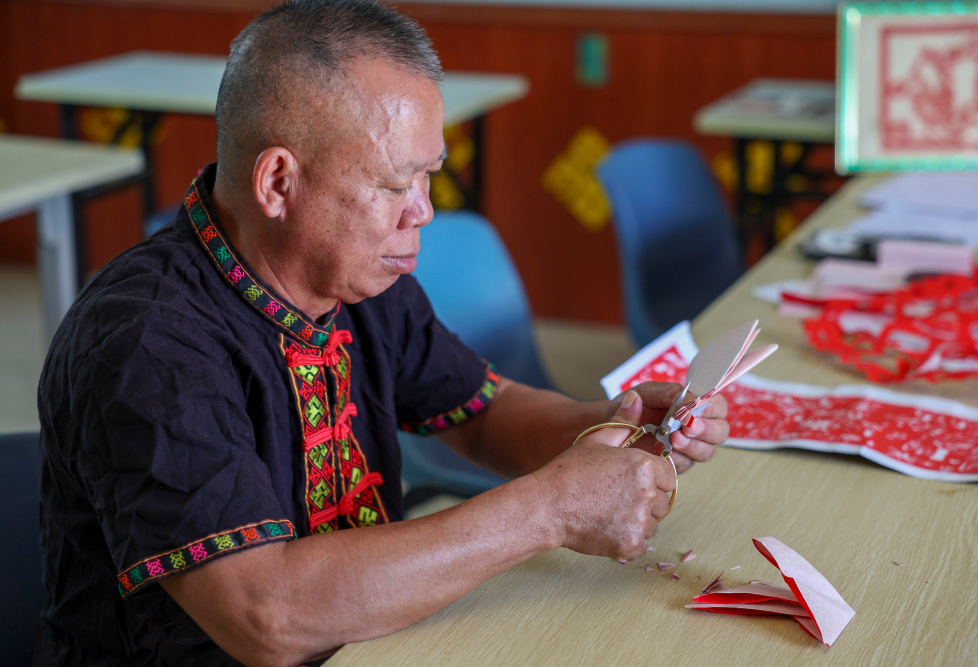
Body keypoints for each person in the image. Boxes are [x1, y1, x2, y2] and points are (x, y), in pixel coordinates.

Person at [34, 1, 729, 665]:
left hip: (379, 641)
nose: (422, 211)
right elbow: (266, 617)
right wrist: (549, 509)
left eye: (429, 176)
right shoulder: (147, 341)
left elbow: (482, 414)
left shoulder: (358, 278)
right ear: (278, 182)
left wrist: (609, 423)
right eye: (396, 184)